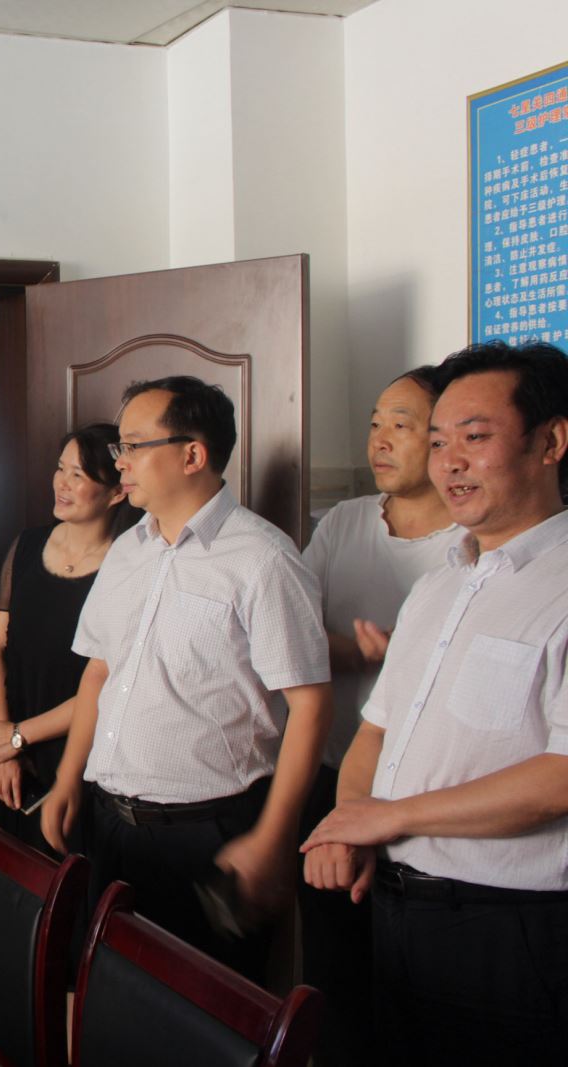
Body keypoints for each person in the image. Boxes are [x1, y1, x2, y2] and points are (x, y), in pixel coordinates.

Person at [303, 341, 568, 1066]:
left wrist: (388, 817)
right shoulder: (439, 585)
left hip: (508, 928)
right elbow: (376, 731)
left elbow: (560, 777)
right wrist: (349, 823)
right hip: (393, 905)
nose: (450, 462)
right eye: (441, 441)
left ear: (551, 441)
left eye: (474, 438)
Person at [40, 376, 332, 982]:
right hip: (110, 822)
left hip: (207, 833)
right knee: (109, 991)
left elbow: (309, 706)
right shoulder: (130, 549)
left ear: (192, 454)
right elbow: (100, 670)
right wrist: (69, 777)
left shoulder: (263, 559)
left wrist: (274, 838)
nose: (120, 462)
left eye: (133, 446)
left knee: (203, 1005)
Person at [296, 365, 459, 1065]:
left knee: (421, 993)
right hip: (335, 776)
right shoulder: (345, 521)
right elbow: (290, 634)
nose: (380, 440)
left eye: (402, 425)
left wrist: (407, 659)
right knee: (335, 978)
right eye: (374, 423)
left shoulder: (472, 540)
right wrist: (360, 652)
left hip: (426, 797)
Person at [0, 423, 141, 852]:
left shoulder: (128, 567)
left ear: (116, 492)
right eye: (60, 468)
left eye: (78, 475)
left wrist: (19, 735)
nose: (61, 483)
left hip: (81, 755)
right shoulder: (27, 545)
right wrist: (3, 745)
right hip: (11, 756)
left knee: (71, 878)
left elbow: (106, 681)